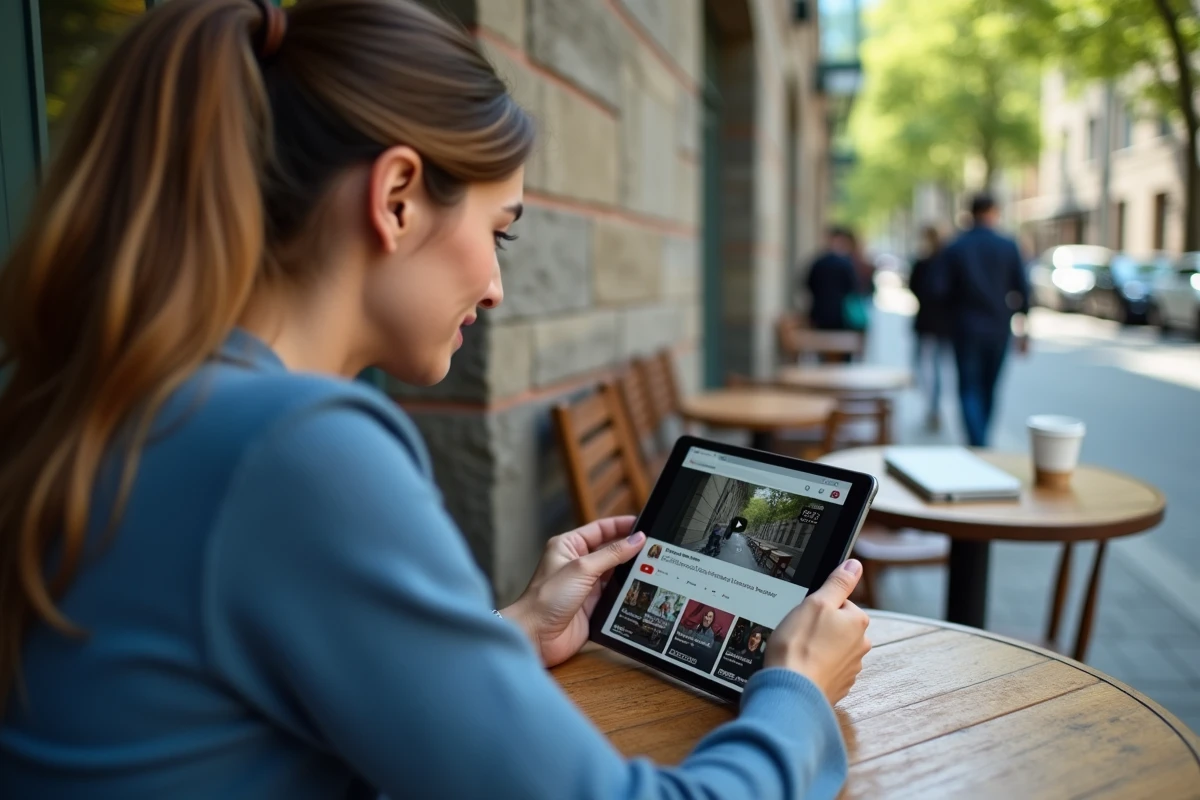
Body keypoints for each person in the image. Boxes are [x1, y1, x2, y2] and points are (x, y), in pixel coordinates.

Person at [0, 2, 872, 798]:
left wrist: (513, 631)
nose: (495, 288)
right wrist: (793, 693)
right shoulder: (292, 447)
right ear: (396, 198)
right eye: (499, 231)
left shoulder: (132, 399)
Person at [934, 193, 1031, 447]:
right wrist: (1024, 329)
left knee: (968, 387)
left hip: (964, 329)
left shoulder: (956, 246)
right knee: (989, 388)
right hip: (998, 329)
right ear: (994, 212)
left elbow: (938, 290)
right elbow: (1023, 290)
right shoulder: (1008, 245)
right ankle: (982, 441)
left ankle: (977, 442)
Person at [908, 225, 953, 431]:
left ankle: (932, 407)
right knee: (935, 367)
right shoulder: (947, 263)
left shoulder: (924, 263)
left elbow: (913, 287)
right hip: (942, 323)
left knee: (925, 366)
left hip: (928, 322)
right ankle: (933, 407)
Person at [803, 226, 862, 332]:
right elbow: (853, 288)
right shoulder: (846, 264)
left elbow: (808, 284)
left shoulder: (818, 262)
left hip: (819, 314)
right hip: (842, 315)